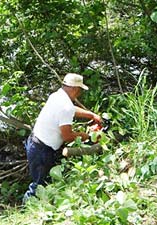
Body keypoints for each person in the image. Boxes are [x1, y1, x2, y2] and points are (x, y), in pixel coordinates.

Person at [23, 73, 102, 203]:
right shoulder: (65, 106)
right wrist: (87, 136)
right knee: (38, 185)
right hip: (42, 150)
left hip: (35, 143)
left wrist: (91, 115)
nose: (80, 93)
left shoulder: (57, 96)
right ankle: (26, 209)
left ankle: (37, 206)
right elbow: (68, 137)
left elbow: (71, 109)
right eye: (80, 90)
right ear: (76, 89)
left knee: (41, 181)